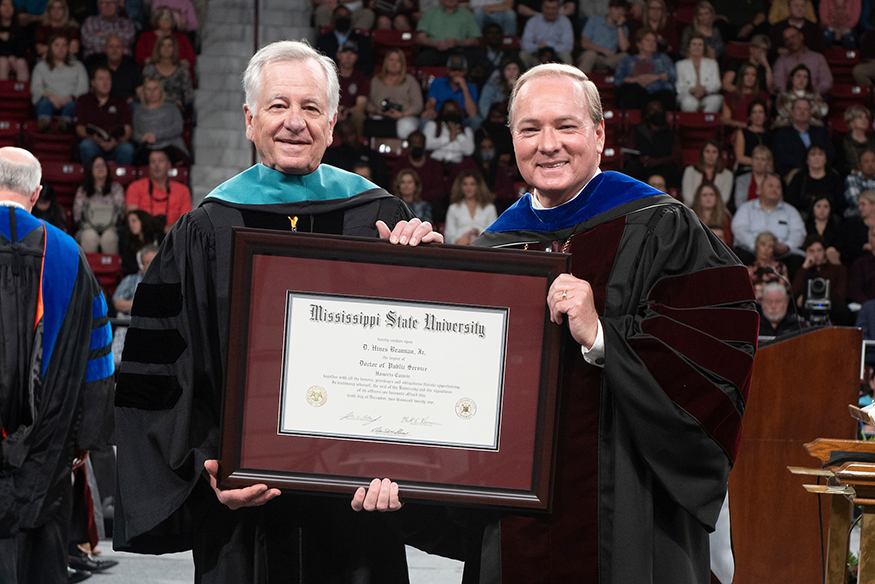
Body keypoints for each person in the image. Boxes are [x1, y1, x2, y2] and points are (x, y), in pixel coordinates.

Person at [113, 41, 442, 583]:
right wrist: (206, 472)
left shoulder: (380, 218)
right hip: (244, 509)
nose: (295, 122)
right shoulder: (207, 229)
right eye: (278, 106)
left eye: (311, 108)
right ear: (249, 119)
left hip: (356, 505)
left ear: (333, 123)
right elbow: (161, 373)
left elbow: (424, 356)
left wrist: (428, 272)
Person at [422, 62, 758, 584]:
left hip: (632, 508)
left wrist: (604, 336)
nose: (548, 144)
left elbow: (716, 356)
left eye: (566, 126)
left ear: (599, 134)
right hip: (516, 517)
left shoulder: (663, 226)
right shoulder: (495, 248)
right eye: (530, 129)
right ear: (512, 140)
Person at [0, 146, 114, 584]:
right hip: (49, 446)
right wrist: (86, 436)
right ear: (37, 193)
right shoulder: (69, 255)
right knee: (41, 553)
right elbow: (97, 353)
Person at [732, 173, 806, 267]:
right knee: (740, 257)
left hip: (781, 255)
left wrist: (787, 246)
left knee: (797, 261)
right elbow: (739, 230)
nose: (774, 190)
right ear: (759, 189)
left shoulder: (790, 211)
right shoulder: (746, 208)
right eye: (770, 186)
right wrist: (759, 246)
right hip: (751, 251)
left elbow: (799, 232)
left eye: (778, 187)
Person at [74, 66, 135, 165]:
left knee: (127, 149)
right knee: (86, 145)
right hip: (94, 144)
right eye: (101, 79)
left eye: (108, 79)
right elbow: (80, 128)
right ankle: (91, 178)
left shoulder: (120, 101)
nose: (105, 82)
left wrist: (116, 142)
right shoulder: (84, 100)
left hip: (116, 145)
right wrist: (93, 138)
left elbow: (127, 130)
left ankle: (121, 180)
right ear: (93, 82)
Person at [30, 34, 88, 132]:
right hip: (49, 99)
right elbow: (36, 87)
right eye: (56, 45)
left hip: (71, 100)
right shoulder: (41, 66)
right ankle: (44, 127)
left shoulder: (78, 66)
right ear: (50, 48)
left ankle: (64, 127)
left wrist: (71, 97)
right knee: (44, 103)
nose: (60, 48)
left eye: (64, 45)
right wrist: (50, 97)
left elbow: (83, 88)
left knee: (73, 105)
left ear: (68, 48)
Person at [125, 148, 191, 231]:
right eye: (153, 161)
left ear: (169, 165)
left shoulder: (182, 190)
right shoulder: (135, 187)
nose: (156, 165)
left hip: (171, 234)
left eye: (160, 161)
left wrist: (170, 229)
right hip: (144, 234)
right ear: (149, 166)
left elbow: (186, 220)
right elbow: (132, 216)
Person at [791, 233, 850, 323]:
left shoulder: (838, 269)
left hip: (831, 309)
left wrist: (808, 297)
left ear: (824, 251)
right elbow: (793, 292)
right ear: (806, 252)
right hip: (807, 312)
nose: (816, 254)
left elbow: (840, 295)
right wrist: (805, 267)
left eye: (819, 250)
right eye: (811, 251)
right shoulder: (803, 270)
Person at [614, 29, 677, 112]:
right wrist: (637, 79)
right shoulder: (628, 60)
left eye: (654, 41)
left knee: (667, 95)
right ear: (639, 44)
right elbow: (619, 79)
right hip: (637, 92)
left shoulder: (663, 58)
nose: (651, 43)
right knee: (632, 92)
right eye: (647, 40)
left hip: (659, 92)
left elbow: (672, 75)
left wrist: (655, 77)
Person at [365, 48, 423, 139]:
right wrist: (377, 110)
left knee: (406, 126)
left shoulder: (410, 80)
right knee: (369, 125)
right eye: (391, 60)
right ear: (386, 62)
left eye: (398, 61)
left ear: (402, 64)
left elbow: (418, 105)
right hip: (380, 117)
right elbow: (367, 103)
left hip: (404, 117)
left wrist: (402, 114)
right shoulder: (375, 81)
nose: (394, 64)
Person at [73, 155, 126, 253]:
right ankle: (88, 268)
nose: (100, 168)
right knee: (89, 238)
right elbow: (78, 216)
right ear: (90, 169)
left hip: (111, 228)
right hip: (88, 228)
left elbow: (121, 213)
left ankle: (111, 268)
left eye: (103, 165)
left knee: (109, 239)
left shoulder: (116, 188)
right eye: (96, 165)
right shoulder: (83, 190)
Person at [771, 98, 834, 178]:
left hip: (821, 170)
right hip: (795, 172)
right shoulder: (781, 134)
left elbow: (830, 153)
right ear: (792, 112)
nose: (802, 112)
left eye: (806, 109)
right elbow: (781, 157)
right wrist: (808, 164)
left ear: (810, 113)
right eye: (799, 109)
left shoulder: (821, 132)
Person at [415, 0, 482, 67]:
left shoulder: (466, 14)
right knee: (423, 58)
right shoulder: (430, 13)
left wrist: (458, 42)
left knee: (476, 55)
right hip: (435, 50)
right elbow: (420, 37)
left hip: (459, 50)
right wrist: (436, 44)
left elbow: (474, 39)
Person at [134, 5, 196, 76]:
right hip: (153, 77)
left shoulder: (182, 37)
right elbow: (140, 58)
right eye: (163, 16)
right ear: (156, 18)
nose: (167, 19)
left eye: (169, 16)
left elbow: (191, 60)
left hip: (179, 76)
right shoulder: (146, 37)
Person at [784, 144, 844, 216]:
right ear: (807, 159)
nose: (817, 157)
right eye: (813, 154)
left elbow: (840, 202)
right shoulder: (799, 178)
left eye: (820, 154)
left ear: (826, 158)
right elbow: (790, 200)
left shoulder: (835, 178)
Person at [421, 54, 479, 128]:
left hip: (462, 120)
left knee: (476, 121)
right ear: (448, 70)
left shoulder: (472, 87)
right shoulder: (437, 82)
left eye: (460, 70)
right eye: (453, 69)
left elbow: (473, 113)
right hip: (440, 118)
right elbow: (431, 102)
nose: (456, 73)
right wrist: (430, 109)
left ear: (465, 71)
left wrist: (464, 88)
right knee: (424, 120)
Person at [85, 34, 144, 105]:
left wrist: (134, 99)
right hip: (103, 104)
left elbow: (140, 91)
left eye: (118, 47)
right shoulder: (97, 67)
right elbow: (92, 90)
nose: (114, 50)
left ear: (123, 49)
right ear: (105, 48)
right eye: (111, 47)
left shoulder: (132, 66)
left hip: (127, 104)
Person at [771, 27, 832, 94]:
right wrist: (792, 94)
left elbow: (827, 81)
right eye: (787, 39)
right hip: (790, 99)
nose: (790, 41)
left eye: (793, 37)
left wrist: (811, 93)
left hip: (814, 98)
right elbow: (778, 82)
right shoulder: (781, 61)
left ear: (801, 36)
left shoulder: (818, 58)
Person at [443, 169, 497, 244]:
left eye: (472, 184)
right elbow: (449, 235)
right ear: (460, 186)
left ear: (478, 186)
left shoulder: (489, 208)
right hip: (460, 246)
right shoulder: (453, 208)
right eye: (465, 184)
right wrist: (461, 239)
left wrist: (478, 235)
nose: (468, 188)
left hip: (483, 245)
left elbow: (493, 233)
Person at [140, 34, 193, 110]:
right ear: (158, 48)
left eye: (170, 45)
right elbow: (145, 92)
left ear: (174, 48)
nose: (166, 48)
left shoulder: (182, 69)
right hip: (154, 106)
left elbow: (189, 94)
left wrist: (182, 104)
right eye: (162, 45)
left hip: (176, 108)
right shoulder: (150, 68)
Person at [576, 0, 628, 73]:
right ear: (609, 9)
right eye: (617, 9)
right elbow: (584, 43)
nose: (620, 13)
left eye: (623, 11)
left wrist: (619, 27)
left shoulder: (623, 28)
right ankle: (580, 81)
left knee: (625, 56)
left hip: (610, 60)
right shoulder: (594, 20)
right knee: (590, 55)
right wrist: (604, 50)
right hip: (595, 55)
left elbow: (624, 48)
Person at [675, 33, 722, 113]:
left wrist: (704, 89)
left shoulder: (712, 63)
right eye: (694, 44)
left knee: (716, 100)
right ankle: (691, 124)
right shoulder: (680, 65)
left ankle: (706, 124)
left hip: (707, 94)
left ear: (704, 47)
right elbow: (679, 87)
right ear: (689, 47)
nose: (697, 47)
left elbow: (717, 84)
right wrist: (692, 90)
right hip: (688, 95)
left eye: (700, 45)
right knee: (689, 103)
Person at [520, 0, 575, 69]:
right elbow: (525, 45)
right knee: (524, 55)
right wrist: (538, 47)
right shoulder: (533, 21)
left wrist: (548, 45)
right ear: (542, 8)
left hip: (556, 58)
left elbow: (568, 46)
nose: (550, 11)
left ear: (558, 9)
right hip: (537, 56)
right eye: (547, 8)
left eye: (553, 8)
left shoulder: (565, 22)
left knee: (566, 55)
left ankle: (568, 78)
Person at [681, 139, 733, 206]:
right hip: (693, 209)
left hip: (717, 211)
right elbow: (687, 196)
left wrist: (709, 209)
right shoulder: (690, 171)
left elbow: (724, 198)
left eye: (714, 152)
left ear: (719, 155)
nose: (710, 155)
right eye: (707, 151)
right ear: (702, 154)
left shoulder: (727, 175)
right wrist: (701, 208)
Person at [423, 98, 475, 163]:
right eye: (448, 112)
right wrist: (448, 139)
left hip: (457, 164)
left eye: (454, 112)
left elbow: (469, 151)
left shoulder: (466, 130)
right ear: (442, 112)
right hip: (436, 162)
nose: (451, 115)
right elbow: (426, 144)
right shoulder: (433, 125)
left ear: (459, 113)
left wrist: (459, 134)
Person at [722, 62, 771, 130]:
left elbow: (767, 119)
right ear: (741, 76)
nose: (750, 78)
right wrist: (740, 125)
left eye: (753, 75)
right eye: (746, 74)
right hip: (738, 131)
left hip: (758, 131)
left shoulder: (763, 96)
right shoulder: (730, 96)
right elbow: (725, 120)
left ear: (756, 78)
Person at [746, 230, 790, 300]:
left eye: (770, 246)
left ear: (773, 250)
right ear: (757, 247)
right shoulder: (749, 269)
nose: (766, 249)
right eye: (763, 244)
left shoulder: (780, 267)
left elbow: (785, 291)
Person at [732, 100, 772, 175]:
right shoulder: (742, 133)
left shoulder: (770, 134)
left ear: (765, 116)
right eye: (754, 112)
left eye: (760, 112)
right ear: (750, 116)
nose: (758, 115)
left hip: (766, 171)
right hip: (747, 169)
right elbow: (740, 157)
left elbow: (771, 158)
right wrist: (759, 163)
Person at [839, 105, 875, 176]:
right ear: (851, 123)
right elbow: (840, 167)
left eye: (866, 117)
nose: (864, 120)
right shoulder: (842, 144)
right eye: (860, 117)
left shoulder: (873, 142)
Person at [733, 144, 773, 209]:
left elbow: (777, 202)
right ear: (752, 160)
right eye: (756, 158)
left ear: (768, 162)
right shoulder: (741, 179)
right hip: (747, 215)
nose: (759, 162)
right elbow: (739, 203)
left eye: (763, 159)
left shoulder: (773, 180)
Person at [0, 0, 28, 81]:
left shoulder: (21, 30)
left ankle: (22, 92)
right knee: (3, 62)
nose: (7, 8)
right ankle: (3, 92)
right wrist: (9, 57)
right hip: (2, 61)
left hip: (15, 61)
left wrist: (13, 58)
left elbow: (22, 50)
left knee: (21, 62)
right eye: (3, 5)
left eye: (10, 5)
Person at [845, 149, 875, 217]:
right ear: (860, 164)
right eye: (866, 161)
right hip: (858, 213)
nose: (870, 164)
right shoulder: (852, 178)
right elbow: (854, 200)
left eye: (873, 161)